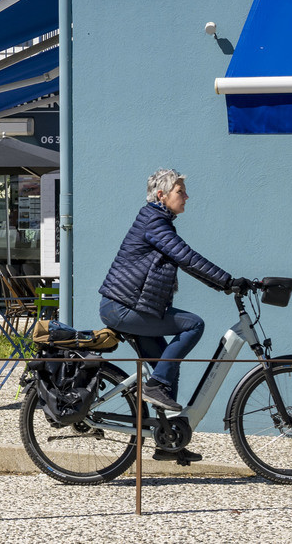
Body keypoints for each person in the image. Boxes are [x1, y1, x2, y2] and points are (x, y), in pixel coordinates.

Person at [99, 168, 238, 463]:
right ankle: (154, 387)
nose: (186, 196)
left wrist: (224, 283)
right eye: (180, 191)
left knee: (167, 367)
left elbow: (182, 260)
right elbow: (185, 257)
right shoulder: (154, 222)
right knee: (193, 325)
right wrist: (227, 282)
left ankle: (168, 440)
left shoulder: (157, 221)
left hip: (130, 307)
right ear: (161, 196)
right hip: (123, 308)